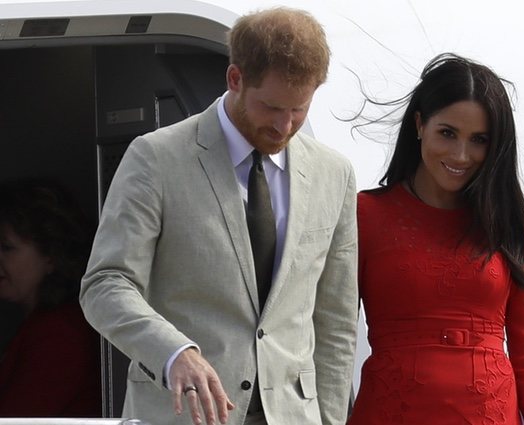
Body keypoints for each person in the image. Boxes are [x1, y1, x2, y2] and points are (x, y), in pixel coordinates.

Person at [80, 7, 358, 425]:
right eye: (271, 107)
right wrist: (174, 352)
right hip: (184, 414)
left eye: (299, 110)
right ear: (235, 79)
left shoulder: (334, 173)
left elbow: (335, 320)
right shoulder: (155, 158)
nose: (284, 126)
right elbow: (105, 285)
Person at [347, 53, 524, 424]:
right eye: (447, 133)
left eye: (478, 140)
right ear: (419, 125)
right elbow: (327, 335)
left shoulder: (511, 226)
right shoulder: (363, 215)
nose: (461, 155)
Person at [0, 179, 100, 417]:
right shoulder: (45, 325)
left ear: (50, 255)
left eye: (6, 248)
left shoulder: (59, 332)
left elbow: (18, 417)